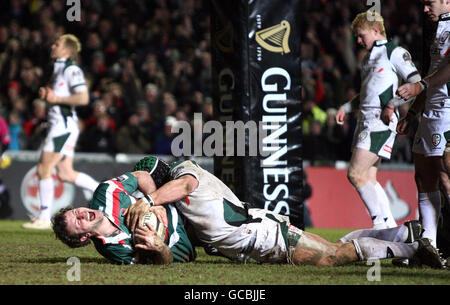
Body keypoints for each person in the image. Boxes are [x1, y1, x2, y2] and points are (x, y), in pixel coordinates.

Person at [124, 156, 444, 268]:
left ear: (159, 176)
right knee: (335, 247)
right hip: (259, 232)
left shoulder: (184, 173)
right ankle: (402, 233)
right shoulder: (175, 203)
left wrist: (151, 202)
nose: (146, 195)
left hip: (262, 236)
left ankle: (410, 247)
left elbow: (186, 186)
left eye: (148, 186)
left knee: (334, 256)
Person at [335, 11, 422, 229]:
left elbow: (417, 83)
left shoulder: (394, 52)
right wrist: (346, 107)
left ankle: (379, 225)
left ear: (375, 30)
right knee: (370, 179)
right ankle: (393, 230)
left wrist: (393, 103)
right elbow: (367, 93)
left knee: (355, 174)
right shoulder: (367, 58)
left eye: (361, 34)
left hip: (379, 121)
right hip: (365, 119)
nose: (358, 40)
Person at [22, 34, 99, 230]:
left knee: (43, 168)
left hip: (62, 127)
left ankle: (44, 217)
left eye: (57, 44)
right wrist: (49, 96)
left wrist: (55, 99)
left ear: (66, 50)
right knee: (66, 173)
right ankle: (103, 190)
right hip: (62, 126)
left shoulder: (71, 69)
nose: (52, 45)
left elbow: (82, 98)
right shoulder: (58, 70)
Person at [51, 167, 196, 265]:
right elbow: (162, 262)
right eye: (78, 222)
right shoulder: (114, 249)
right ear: (85, 236)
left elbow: (141, 176)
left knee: (151, 164)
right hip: (184, 243)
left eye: (76, 212)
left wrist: (154, 203)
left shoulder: (105, 193)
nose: (82, 214)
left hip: (181, 205)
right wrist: (160, 249)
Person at [395, 0, 450, 251]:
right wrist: (414, 113)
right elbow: (431, 71)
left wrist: (421, 86)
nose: (425, 9)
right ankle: (428, 244)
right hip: (430, 112)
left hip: (447, 110)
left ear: (447, 2)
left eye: (430, 4)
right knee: (424, 175)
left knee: (444, 173)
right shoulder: (435, 29)